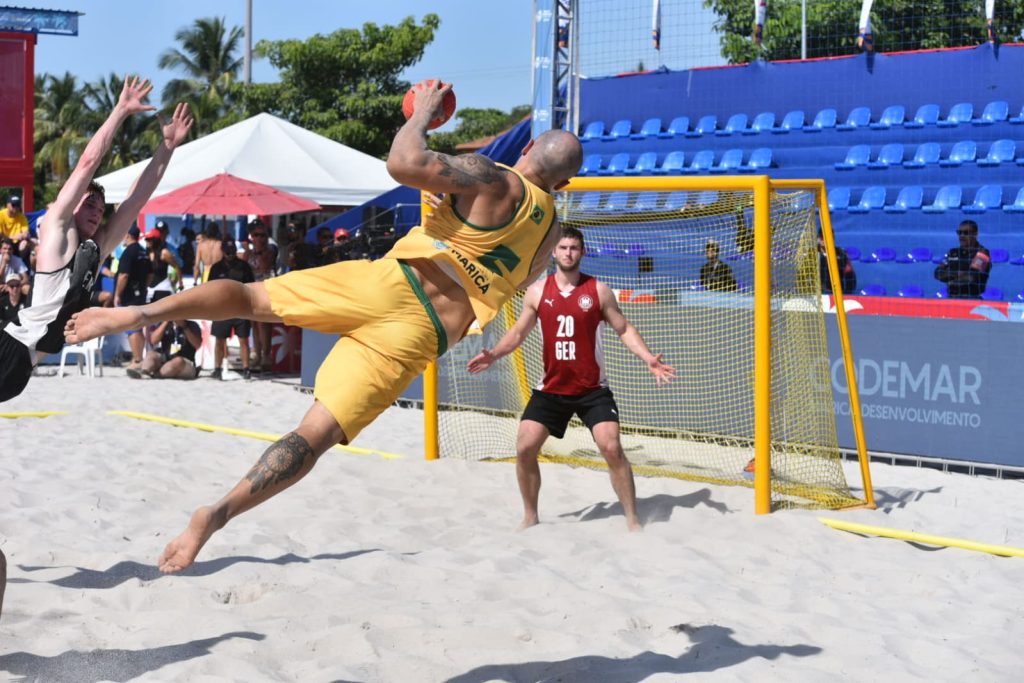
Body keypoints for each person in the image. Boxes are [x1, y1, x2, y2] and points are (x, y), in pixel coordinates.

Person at [65, 80, 583, 573]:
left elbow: (402, 163)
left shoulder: (490, 174)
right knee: (312, 438)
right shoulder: (550, 237)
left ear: (531, 144)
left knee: (250, 297)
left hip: (390, 281)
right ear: (562, 183)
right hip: (423, 331)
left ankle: (139, 315)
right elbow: (491, 271)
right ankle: (217, 514)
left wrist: (423, 112)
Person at [466, 226, 674, 531]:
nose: (568, 253)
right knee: (524, 448)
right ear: (553, 252)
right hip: (551, 390)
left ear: (583, 251)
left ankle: (632, 519)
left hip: (592, 389)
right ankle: (530, 516)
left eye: (574, 248)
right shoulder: (537, 291)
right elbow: (518, 332)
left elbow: (624, 329)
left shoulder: (598, 290)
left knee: (612, 448)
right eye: (563, 248)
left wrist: (648, 359)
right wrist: (494, 354)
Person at [0, 77, 192, 402]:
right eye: (89, 204)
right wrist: (120, 111)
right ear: (71, 204)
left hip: (22, 368)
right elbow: (87, 164)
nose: (95, 212)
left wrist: (167, 147)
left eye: (100, 208)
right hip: (10, 350)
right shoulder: (57, 230)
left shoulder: (95, 249)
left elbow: (136, 201)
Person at [207, 239, 255, 380]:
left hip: (241, 309)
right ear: (223, 251)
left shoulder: (243, 266)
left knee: (243, 341)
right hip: (222, 309)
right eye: (227, 252)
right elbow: (209, 288)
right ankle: (217, 369)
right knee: (220, 340)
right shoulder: (216, 268)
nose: (230, 254)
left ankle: (246, 369)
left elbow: (251, 286)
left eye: (232, 251)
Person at [116, 226, 152, 370]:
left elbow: (123, 275)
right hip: (140, 293)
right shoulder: (143, 252)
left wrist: (118, 294)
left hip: (130, 295)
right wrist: (143, 287)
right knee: (137, 326)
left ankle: (137, 360)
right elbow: (151, 274)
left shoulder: (128, 252)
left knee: (132, 327)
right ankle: (138, 358)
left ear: (128, 236)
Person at [244, 220, 277, 373]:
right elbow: (245, 268)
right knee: (254, 324)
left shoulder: (269, 250)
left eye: (263, 235)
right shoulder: (248, 253)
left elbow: (264, 266)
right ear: (251, 236)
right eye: (256, 235)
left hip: (266, 288)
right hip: (253, 289)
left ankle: (266, 355)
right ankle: (257, 354)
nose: (260, 238)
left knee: (264, 324)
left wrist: (256, 251)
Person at [934, 219, 991, 299]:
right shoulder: (953, 252)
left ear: (975, 234)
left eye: (966, 233)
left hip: (971, 299)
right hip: (952, 297)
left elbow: (971, 277)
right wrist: (959, 274)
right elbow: (938, 273)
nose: (962, 236)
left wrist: (950, 274)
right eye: (959, 233)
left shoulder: (983, 253)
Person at [130, 317, 202, 380]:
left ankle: (155, 375)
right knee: (151, 354)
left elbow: (197, 344)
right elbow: (154, 341)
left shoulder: (192, 325)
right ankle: (145, 371)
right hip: (166, 360)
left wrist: (184, 327)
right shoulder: (165, 324)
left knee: (178, 361)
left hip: (185, 363)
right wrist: (166, 322)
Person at [818, 229, 856, 295]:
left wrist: (847, 294)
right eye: (821, 237)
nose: (823, 239)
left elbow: (850, 276)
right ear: (818, 239)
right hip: (817, 295)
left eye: (827, 237)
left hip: (835, 294)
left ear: (833, 238)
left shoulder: (841, 254)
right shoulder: (811, 254)